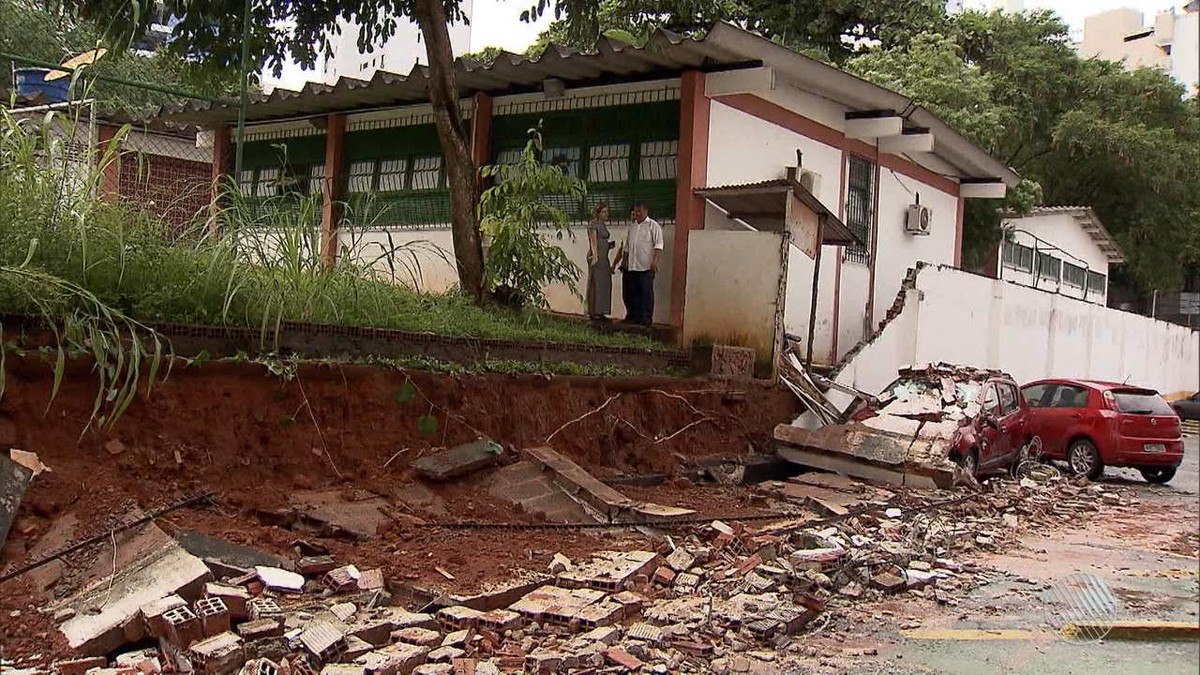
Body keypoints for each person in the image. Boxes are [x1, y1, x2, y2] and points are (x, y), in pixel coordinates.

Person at [613, 202, 663, 326]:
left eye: (639, 211)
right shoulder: (632, 227)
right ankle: (632, 316)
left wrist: (654, 261)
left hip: (646, 266)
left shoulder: (653, 226)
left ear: (645, 211)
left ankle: (645, 319)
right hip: (632, 266)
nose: (637, 214)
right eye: (635, 211)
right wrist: (624, 262)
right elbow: (627, 247)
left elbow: (658, 245)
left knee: (645, 293)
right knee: (632, 293)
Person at [585, 203, 614, 320]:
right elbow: (593, 240)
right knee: (595, 283)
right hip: (597, 256)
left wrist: (609, 245)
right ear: (598, 213)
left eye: (607, 212)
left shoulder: (603, 225)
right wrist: (595, 256)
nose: (606, 214)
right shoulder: (593, 224)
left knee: (604, 283)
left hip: (604, 256)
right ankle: (593, 311)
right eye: (603, 212)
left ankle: (601, 310)